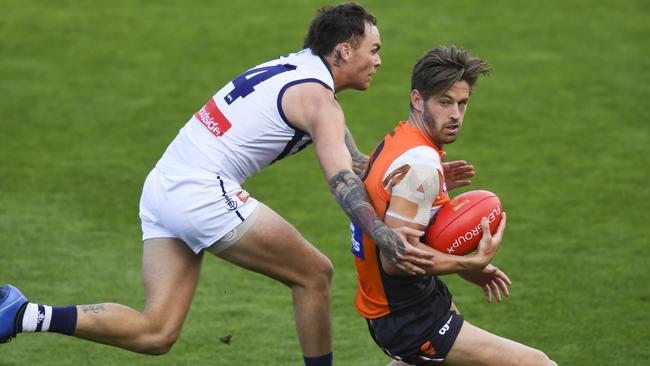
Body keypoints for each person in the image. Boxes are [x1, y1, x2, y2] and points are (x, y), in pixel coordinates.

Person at [0, 3, 441, 365]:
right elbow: (342, 181)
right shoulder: (319, 101)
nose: (380, 61)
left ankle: (21, 314)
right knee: (315, 274)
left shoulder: (298, 71)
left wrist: (422, 172)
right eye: (374, 50)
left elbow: (358, 165)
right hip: (200, 192)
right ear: (344, 51)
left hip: (163, 186)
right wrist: (382, 233)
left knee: (157, 332)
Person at [351, 46, 557, 365]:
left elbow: (391, 202)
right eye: (445, 102)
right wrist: (469, 263)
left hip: (406, 304)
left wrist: (434, 191)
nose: (455, 115)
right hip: (411, 317)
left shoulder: (398, 141)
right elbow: (397, 258)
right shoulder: (421, 166)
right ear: (418, 100)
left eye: (462, 103)